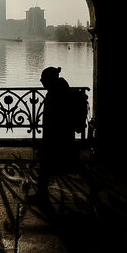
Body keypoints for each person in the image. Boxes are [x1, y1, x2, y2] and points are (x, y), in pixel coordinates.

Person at [30, 66, 79, 203]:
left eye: (43, 79)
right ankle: (41, 193)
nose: (41, 82)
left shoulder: (54, 94)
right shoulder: (60, 89)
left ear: (49, 80)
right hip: (62, 135)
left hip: (56, 137)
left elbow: (53, 119)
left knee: (47, 165)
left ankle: (41, 195)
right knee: (68, 163)